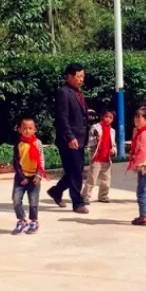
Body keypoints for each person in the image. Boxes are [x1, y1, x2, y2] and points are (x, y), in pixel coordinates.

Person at [48, 63, 89, 214]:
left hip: (80, 137)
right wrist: (70, 137)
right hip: (69, 140)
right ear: (70, 77)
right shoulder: (63, 93)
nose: (81, 79)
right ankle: (77, 203)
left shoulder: (77, 92)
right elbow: (62, 118)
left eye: (83, 76)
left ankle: (56, 191)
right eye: (79, 76)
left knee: (76, 170)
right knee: (76, 172)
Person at [11, 117, 47, 235]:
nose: (27, 130)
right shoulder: (18, 143)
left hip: (34, 177)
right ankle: (22, 220)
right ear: (20, 130)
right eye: (24, 128)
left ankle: (34, 221)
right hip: (21, 177)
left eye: (30, 128)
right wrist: (21, 177)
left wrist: (39, 175)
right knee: (16, 199)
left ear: (34, 130)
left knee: (33, 201)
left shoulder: (38, 143)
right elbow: (16, 162)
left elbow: (41, 160)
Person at [82, 109, 117, 204]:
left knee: (106, 179)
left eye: (110, 117)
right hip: (97, 157)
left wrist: (113, 151)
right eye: (106, 116)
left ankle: (103, 196)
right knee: (92, 178)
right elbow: (90, 141)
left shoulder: (112, 131)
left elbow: (113, 144)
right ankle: (85, 196)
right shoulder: (95, 127)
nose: (108, 119)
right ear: (102, 117)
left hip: (106, 158)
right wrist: (96, 139)